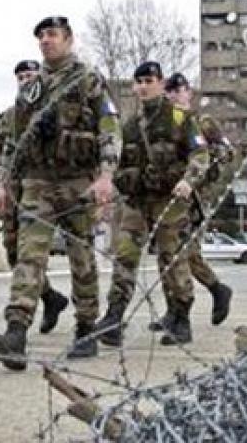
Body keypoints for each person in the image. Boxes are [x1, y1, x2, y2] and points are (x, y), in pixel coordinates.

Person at [0, 17, 120, 370]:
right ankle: (16, 332)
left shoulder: (87, 79)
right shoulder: (31, 88)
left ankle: (86, 326)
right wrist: (4, 184)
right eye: (41, 36)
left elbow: (109, 127)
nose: (46, 40)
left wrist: (106, 176)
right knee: (29, 255)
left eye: (52, 34)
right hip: (38, 182)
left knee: (81, 257)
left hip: (77, 181)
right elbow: (14, 142)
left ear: (68, 39)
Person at [95, 62, 209, 347]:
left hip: (170, 201)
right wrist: (117, 181)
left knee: (172, 259)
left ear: (161, 83)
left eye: (149, 81)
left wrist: (189, 180)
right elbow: (119, 161)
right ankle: (114, 317)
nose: (143, 87)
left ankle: (181, 317)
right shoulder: (131, 125)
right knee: (125, 256)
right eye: (139, 82)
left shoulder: (180, 118)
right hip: (137, 202)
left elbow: (200, 154)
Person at [145, 73, 233, 332]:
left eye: (179, 89)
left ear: (189, 92)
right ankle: (175, 309)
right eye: (170, 91)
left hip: (195, 200)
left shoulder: (202, 122)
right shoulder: (164, 124)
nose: (174, 95)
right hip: (169, 198)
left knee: (182, 254)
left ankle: (194, 303)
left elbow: (227, 152)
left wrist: (203, 162)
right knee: (168, 255)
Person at [0, 59, 69, 335]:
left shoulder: (54, 109)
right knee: (15, 252)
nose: (25, 81)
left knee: (30, 252)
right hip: (15, 187)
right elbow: (4, 151)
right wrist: (2, 186)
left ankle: (18, 323)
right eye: (21, 77)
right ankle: (50, 297)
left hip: (44, 187)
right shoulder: (12, 115)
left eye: (30, 76)